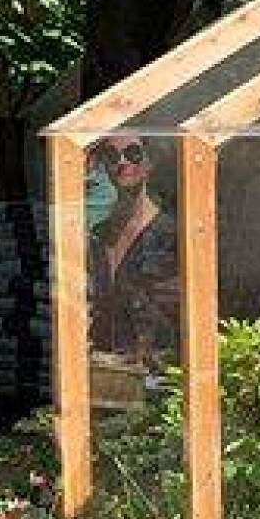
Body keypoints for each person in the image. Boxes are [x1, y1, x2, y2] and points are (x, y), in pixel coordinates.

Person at [86, 133, 181, 365]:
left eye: (132, 153)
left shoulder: (173, 233)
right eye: (111, 155)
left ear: (150, 162)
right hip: (108, 365)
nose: (122, 162)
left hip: (160, 367)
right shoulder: (99, 235)